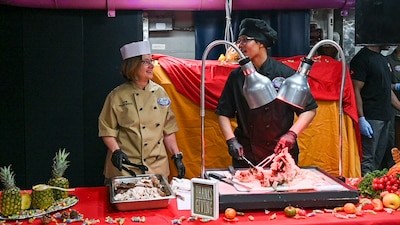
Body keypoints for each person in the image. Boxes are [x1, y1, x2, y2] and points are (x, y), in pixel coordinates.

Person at [215, 18, 318, 168]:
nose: (240, 45)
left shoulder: (285, 73)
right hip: (247, 154)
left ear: (261, 43)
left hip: (282, 153)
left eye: (245, 40)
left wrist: (292, 134)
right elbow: (223, 112)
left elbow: (309, 110)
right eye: (239, 40)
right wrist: (231, 140)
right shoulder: (237, 77)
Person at [98, 40, 185, 181]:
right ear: (133, 65)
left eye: (152, 61)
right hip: (126, 168)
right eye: (146, 62)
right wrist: (116, 152)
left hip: (156, 166)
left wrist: (176, 156)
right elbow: (107, 129)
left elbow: (168, 129)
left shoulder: (160, 92)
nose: (152, 66)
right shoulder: (117, 96)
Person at [350, 45, 400, 176]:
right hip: (371, 117)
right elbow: (355, 89)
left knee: (380, 156)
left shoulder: (383, 60)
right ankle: (364, 190)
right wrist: (361, 118)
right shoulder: (362, 58)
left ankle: (374, 187)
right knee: (368, 158)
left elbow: (386, 89)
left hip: (386, 116)